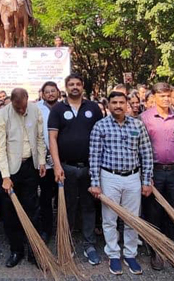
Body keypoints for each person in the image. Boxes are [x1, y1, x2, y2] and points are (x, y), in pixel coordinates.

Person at [88, 91, 154, 275]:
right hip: (109, 177)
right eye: (114, 102)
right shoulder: (100, 126)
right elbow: (94, 156)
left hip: (133, 177)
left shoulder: (137, 125)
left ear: (127, 104)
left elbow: (146, 154)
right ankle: (114, 254)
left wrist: (146, 181)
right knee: (109, 219)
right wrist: (95, 182)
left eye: (121, 102)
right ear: (108, 105)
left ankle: (130, 254)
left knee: (132, 219)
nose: (118, 105)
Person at [48, 73, 105, 265]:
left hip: (90, 167)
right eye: (71, 84)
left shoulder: (93, 108)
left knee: (89, 207)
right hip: (66, 167)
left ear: (82, 87)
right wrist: (56, 165)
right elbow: (52, 139)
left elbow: (101, 136)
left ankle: (89, 245)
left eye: (78, 84)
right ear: (65, 87)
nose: (74, 87)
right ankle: (67, 243)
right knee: (67, 206)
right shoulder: (57, 109)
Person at [0, 88, 47, 267]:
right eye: (18, 108)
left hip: (30, 166)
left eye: (24, 107)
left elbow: (40, 138)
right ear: (12, 102)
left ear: (27, 99)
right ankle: (16, 250)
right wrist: (6, 176)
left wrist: (41, 161)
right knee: (10, 212)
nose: (22, 111)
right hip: (10, 168)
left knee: (33, 209)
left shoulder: (35, 110)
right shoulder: (3, 114)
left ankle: (34, 251)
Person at [140, 82, 174, 270]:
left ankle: (173, 249)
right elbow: (140, 149)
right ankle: (156, 249)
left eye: (168, 96)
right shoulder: (145, 118)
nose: (166, 99)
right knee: (154, 212)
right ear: (154, 98)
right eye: (162, 96)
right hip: (154, 171)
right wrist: (145, 175)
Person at [36, 81, 60, 241]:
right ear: (42, 94)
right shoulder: (36, 108)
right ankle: (46, 229)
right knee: (45, 196)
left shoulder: (64, 107)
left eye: (53, 91)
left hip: (62, 159)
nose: (50, 94)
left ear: (58, 92)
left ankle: (64, 228)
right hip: (43, 160)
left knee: (62, 196)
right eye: (47, 92)